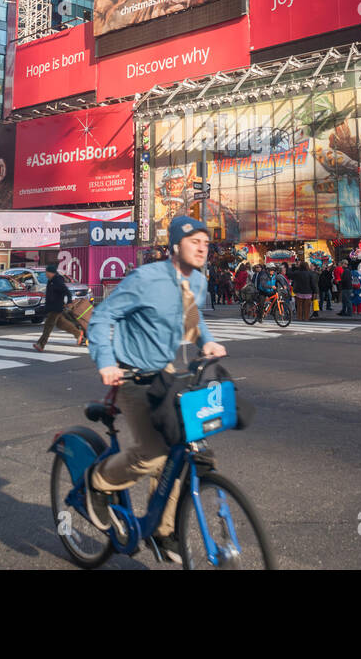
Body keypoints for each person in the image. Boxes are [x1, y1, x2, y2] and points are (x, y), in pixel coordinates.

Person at [83, 216, 227, 563]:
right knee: (154, 454)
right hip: (131, 376)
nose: (203, 247)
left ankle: (162, 531)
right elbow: (103, 317)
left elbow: (193, 316)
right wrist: (105, 362)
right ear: (175, 245)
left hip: (166, 374)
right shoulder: (146, 279)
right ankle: (98, 483)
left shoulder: (200, 282)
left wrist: (206, 342)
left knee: (183, 450)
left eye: (206, 242)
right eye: (195, 241)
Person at [33, 262, 73, 352]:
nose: (46, 275)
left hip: (56, 307)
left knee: (48, 326)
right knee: (62, 323)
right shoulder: (51, 280)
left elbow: (67, 291)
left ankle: (41, 344)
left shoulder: (58, 280)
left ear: (52, 273)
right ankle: (79, 334)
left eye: (47, 273)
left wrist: (69, 301)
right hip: (52, 307)